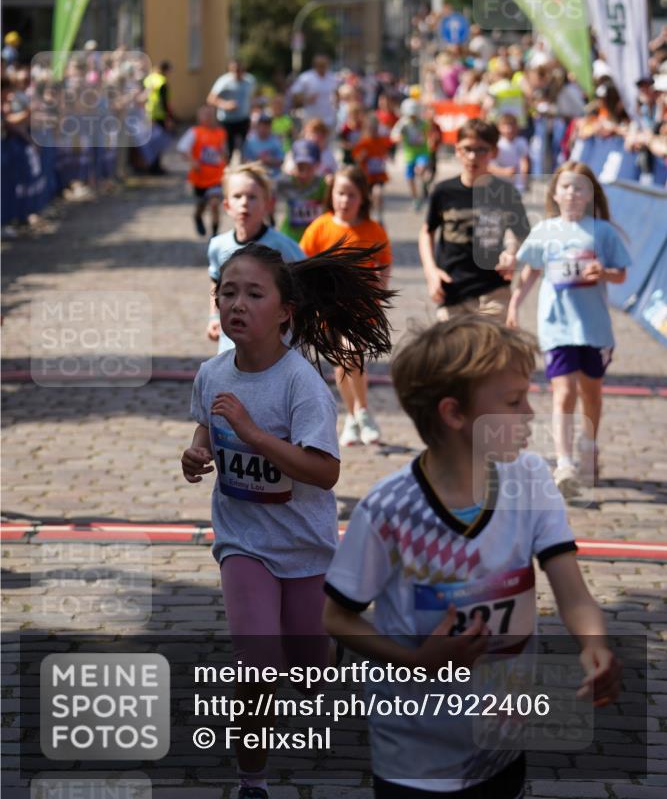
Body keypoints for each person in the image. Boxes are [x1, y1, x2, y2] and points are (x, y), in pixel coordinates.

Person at [323, 316, 621, 799]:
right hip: (414, 756)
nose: (530, 413)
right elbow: (337, 617)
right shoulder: (388, 510)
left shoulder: (529, 480)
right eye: (513, 402)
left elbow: (572, 589)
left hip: (503, 744)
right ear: (454, 414)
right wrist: (416, 661)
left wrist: (595, 643)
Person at [182, 241, 394, 799]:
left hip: (304, 547)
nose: (238, 303)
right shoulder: (210, 373)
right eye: (228, 292)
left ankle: (328, 650)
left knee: (307, 671)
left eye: (254, 293)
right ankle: (251, 779)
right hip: (242, 542)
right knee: (257, 668)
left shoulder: (302, 384)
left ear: (284, 311)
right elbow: (208, 423)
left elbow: (325, 473)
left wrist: (255, 435)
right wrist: (198, 452)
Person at [507, 162, 631, 498]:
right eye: (565, 187)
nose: (572, 193)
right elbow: (530, 269)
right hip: (556, 325)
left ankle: (588, 445)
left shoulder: (602, 232)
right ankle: (564, 463)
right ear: (555, 193)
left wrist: (602, 272)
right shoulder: (546, 230)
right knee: (564, 393)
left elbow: (621, 274)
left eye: (580, 188)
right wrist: (515, 303)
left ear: (591, 194)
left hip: (593, 328)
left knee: (591, 393)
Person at [300, 165, 391, 446]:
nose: (345, 200)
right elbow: (302, 262)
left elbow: (384, 262)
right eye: (340, 193)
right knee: (341, 363)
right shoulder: (320, 226)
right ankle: (353, 417)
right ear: (332, 195)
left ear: (362, 197)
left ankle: (362, 410)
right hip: (327, 309)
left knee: (352, 353)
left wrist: (380, 288)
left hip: (361, 309)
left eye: (351, 195)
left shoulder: (373, 229)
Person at [419, 119, 530, 323]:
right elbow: (427, 232)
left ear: (494, 152)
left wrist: (512, 254)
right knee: (453, 354)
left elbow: (524, 237)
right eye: (467, 149)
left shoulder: (506, 193)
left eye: (481, 149)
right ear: (457, 150)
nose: (473, 156)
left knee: (490, 353)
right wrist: (431, 272)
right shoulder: (443, 191)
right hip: (452, 291)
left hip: (493, 293)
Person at [207, 164, 304, 353]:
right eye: (237, 196)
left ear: (268, 204)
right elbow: (216, 284)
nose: (244, 202)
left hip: (275, 340)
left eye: (252, 197)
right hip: (232, 339)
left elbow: (304, 283)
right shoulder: (218, 245)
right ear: (226, 205)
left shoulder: (282, 246)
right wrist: (213, 317)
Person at [177, 104, 228, 238]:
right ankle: (197, 217)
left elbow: (223, 152)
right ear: (199, 117)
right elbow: (182, 148)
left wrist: (226, 164)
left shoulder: (220, 133)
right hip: (199, 177)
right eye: (205, 115)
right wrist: (192, 161)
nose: (208, 118)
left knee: (215, 204)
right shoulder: (195, 132)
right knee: (202, 205)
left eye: (211, 115)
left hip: (216, 177)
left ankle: (215, 235)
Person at [276, 138, 327, 242]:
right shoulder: (286, 182)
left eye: (309, 168)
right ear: (294, 164)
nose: (304, 174)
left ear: (317, 165)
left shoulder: (324, 184)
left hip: (316, 239)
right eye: (300, 168)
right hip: (290, 239)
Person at [207, 60, 257, 161]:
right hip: (227, 121)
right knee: (227, 149)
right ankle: (226, 170)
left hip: (243, 118)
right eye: (234, 70)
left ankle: (242, 169)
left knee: (245, 148)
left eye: (240, 70)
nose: (237, 73)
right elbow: (211, 99)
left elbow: (252, 98)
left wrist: (254, 113)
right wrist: (225, 105)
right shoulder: (224, 81)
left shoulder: (250, 81)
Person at [352, 112, 393, 223]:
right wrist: (362, 156)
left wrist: (388, 156)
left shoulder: (381, 141)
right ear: (366, 128)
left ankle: (379, 216)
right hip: (366, 177)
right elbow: (356, 158)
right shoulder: (363, 143)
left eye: (375, 128)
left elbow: (387, 149)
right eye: (371, 128)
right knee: (367, 199)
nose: (374, 131)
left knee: (377, 192)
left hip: (378, 175)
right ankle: (368, 217)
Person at [392, 98, 431, 210]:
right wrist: (398, 137)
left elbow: (429, 132)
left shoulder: (422, 123)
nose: (412, 117)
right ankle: (415, 198)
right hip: (409, 154)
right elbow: (394, 134)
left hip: (422, 152)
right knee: (410, 178)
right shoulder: (403, 123)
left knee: (420, 169)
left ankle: (423, 185)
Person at [288, 53, 338, 130]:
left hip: (328, 119)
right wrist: (306, 99)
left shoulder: (332, 77)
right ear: (315, 65)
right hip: (311, 119)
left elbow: (337, 94)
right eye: (320, 65)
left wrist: (336, 103)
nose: (322, 67)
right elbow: (294, 94)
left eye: (324, 65)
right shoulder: (306, 78)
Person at [487, 113, 530, 194]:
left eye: (511, 126)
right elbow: (489, 166)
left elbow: (524, 162)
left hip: (516, 183)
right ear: (499, 127)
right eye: (505, 126)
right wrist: (504, 171)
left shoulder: (521, 142)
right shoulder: (497, 143)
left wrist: (524, 179)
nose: (508, 129)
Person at [242, 112, 285, 180]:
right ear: (258, 126)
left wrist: (269, 160)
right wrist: (257, 163)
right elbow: (244, 160)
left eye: (267, 126)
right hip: (255, 177)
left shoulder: (276, 141)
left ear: (270, 127)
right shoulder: (250, 140)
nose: (264, 129)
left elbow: (281, 160)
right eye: (262, 125)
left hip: (273, 177)